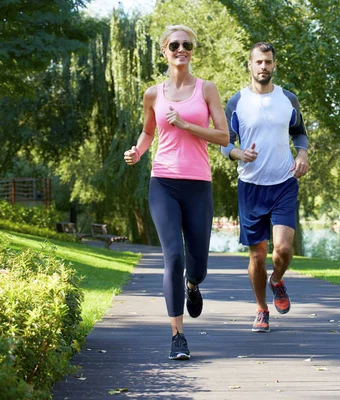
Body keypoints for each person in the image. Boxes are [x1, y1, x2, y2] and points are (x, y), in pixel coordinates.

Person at [124, 25, 228, 360]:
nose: (180, 49)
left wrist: (186, 125)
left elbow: (223, 137)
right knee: (173, 257)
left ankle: (193, 285)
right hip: (163, 182)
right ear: (164, 51)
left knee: (197, 265)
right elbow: (147, 132)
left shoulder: (207, 89)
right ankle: (177, 335)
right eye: (174, 45)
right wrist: (138, 152)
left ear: (192, 50)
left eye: (186, 45)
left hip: (198, 184)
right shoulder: (153, 94)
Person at [221, 42, 309, 333]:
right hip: (251, 186)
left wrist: (303, 155)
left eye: (268, 62)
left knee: (282, 250)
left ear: (274, 65)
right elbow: (225, 143)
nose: (263, 67)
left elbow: (300, 133)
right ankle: (261, 309)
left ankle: (277, 280)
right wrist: (238, 153)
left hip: (284, 182)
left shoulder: (288, 99)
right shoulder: (236, 102)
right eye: (258, 62)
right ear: (250, 65)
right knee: (257, 255)